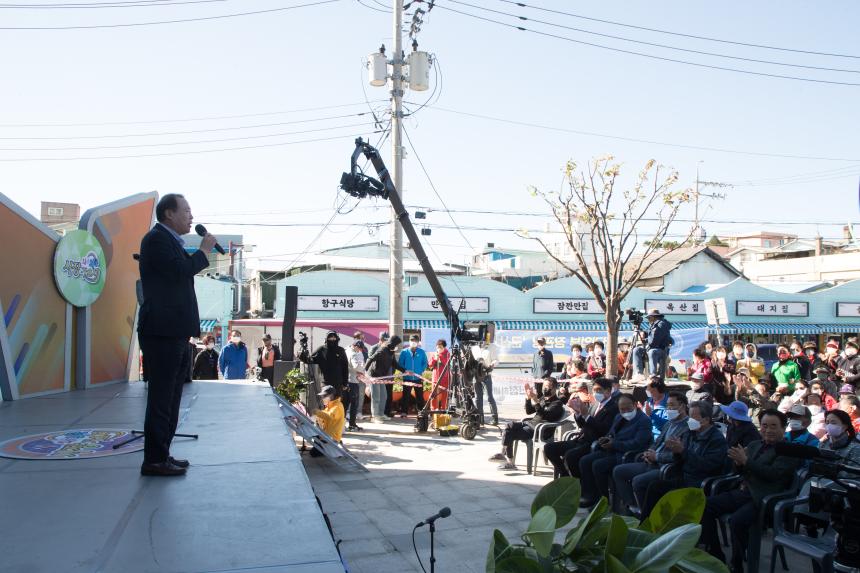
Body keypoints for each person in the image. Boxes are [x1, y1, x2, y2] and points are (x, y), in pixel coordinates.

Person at [137, 193, 215, 477]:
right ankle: (154, 460)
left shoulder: (170, 241)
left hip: (175, 333)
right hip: (162, 332)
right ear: (169, 213)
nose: (191, 217)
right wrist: (204, 252)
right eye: (186, 211)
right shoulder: (156, 239)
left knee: (171, 398)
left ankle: (163, 455)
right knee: (161, 398)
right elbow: (178, 272)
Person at [700, 409, 802, 571]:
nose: (768, 430)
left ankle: (737, 562)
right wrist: (738, 463)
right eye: (764, 426)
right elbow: (741, 471)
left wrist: (745, 461)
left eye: (774, 426)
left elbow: (773, 475)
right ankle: (715, 553)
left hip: (764, 497)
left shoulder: (790, 450)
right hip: (743, 492)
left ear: (783, 428)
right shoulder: (755, 445)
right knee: (703, 506)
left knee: (737, 522)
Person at [640, 400, 729, 519]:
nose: (690, 420)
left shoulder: (716, 440)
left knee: (662, 491)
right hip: (684, 477)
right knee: (654, 487)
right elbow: (681, 458)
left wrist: (683, 451)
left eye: (693, 417)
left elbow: (708, 466)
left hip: (700, 482)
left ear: (706, 420)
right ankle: (648, 525)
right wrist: (676, 451)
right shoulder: (691, 433)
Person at [612, 392, 690, 515]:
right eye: (668, 406)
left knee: (638, 481)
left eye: (672, 405)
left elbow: (679, 455)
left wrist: (657, 456)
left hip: (666, 467)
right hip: (651, 461)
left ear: (682, 406)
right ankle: (632, 507)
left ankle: (647, 515)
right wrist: (649, 452)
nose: (669, 409)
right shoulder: (670, 423)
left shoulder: (688, 427)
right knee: (619, 471)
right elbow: (657, 441)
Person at [579, 393, 653, 508]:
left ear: (635, 405)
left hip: (626, 454)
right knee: (585, 460)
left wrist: (614, 444)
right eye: (622, 409)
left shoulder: (643, 420)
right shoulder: (619, 417)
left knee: (598, 465)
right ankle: (591, 495)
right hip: (612, 450)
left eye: (628, 408)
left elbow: (638, 443)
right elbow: (611, 433)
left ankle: (606, 500)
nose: (625, 412)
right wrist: (606, 439)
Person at [545, 378, 619, 478]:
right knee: (549, 448)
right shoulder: (595, 404)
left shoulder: (613, 408)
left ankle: (578, 483)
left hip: (593, 442)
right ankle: (565, 475)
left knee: (570, 456)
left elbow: (603, 429)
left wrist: (586, 416)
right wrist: (578, 413)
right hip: (580, 439)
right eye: (594, 390)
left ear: (608, 391)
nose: (596, 393)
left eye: (599, 390)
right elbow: (582, 425)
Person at [490, 379, 564, 470]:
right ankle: (504, 456)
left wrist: (536, 401)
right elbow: (529, 411)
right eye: (544, 386)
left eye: (547, 387)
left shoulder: (557, 404)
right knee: (509, 425)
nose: (544, 389)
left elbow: (544, 415)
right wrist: (528, 398)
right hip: (530, 425)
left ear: (554, 388)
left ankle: (508, 461)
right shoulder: (543, 399)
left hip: (539, 430)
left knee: (509, 433)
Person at [306, 331, 349, 414]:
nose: (332, 339)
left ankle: (337, 423)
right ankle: (326, 421)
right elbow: (311, 360)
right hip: (326, 382)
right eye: (330, 337)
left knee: (337, 403)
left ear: (337, 338)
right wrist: (303, 356)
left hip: (338, 383)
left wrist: (345, 383)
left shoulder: (341, 350)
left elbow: (345, 367)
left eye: (334, 337)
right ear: (326, 339)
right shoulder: (321, 350)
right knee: (326, 402)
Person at [365, 333, 403, 421]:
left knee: (384, 396)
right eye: (397, 344)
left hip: (382, 376)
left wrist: (405, 370)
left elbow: (395, 364)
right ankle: (375, 416)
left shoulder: (391, 351)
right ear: (393, 344)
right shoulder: (382, 350)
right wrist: (365, 371)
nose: (397, 346)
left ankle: (381, 414)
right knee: (376, 397)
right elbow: (370, 359)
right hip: (374, 376)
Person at [633, 309, 672, 378]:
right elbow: (651, 334)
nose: (648, 319)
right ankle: (639, 374)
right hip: (653, 347)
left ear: (653, 317)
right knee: (636, 350)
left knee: (652, 352)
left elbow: (654, 340)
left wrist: (646, 340)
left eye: (649, 318)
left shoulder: (661, 324)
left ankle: (653, 375)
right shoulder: (655, 324)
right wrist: (644, 333)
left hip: (661, 349)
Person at [398, 335, 429, 418]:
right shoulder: (404, 352)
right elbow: (400, 364)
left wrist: (420, 371)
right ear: (409, 341)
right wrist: (405, 371)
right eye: (411, 340)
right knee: (405, 396)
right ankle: (404, 412)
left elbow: (425, 363)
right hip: (407, 378)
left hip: (418, 377)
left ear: (418, 342)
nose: (413, 342)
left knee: (419, 396)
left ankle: (421, 412)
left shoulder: (422, 352)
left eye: (415, 340)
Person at [310, 385, 345, 457]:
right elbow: (325, 413)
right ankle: (330, 446)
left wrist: (317, 412)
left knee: (313, 453)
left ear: (331, 395)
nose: (322, 398)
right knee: (314, 437)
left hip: (331, 437)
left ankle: (333, 446)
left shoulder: (337, 406)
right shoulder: (331, 405)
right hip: (327, 435)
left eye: (324, 396)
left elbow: (329, 416)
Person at [473, 339, 499, 425]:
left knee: (490, 397)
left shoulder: (492, 347)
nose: (481, 342)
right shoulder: (474, 347)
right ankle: (480, 419)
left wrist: (492, 364)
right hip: (476, 375)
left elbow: (496, 360)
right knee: (478, 397)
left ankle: (495, 418)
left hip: (487, 374)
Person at [427, 339, 451, 427]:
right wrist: (435, 359)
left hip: (445, 378)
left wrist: (440, 357)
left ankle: (443, 411)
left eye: (440, 347)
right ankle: (433, 411)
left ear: (444, 347)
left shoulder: (447, 354)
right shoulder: (434, 354)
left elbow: (447, 363)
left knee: (445, 395)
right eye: (437, 347)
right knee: (433, 395)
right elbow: (430, 365)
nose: (438, 349)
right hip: (435, 378)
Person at [345, 340, 366, 431]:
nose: (360, 350)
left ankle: (343, 424)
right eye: (359, 348)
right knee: (354, 403)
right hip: (352, 381)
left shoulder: (348, 350)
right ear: (355, 346)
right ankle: (352, 424)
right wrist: (363, 370)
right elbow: (356, 366)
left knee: (345, 403)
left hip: (349, 380)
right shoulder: (352, 353)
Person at [643, 376, 670, 440]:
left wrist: (651, 415)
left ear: (656, 388)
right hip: (646, 435)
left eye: (647, 387)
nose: (646, 389)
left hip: (659, 438)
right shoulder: (649, 401)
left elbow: (667, 426)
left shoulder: (670, 403)